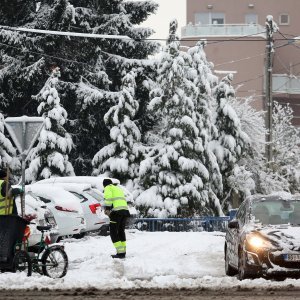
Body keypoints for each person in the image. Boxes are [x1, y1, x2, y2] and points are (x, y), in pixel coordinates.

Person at [103, 178, 130, 259]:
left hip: (117, 212)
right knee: (121, 231)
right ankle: (123, 252)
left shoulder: (108, 187)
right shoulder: (118, 188)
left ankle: (120, 253)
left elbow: (108, 198)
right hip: (125, 212)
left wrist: (107, 208)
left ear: (104, 185)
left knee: (113, 232)